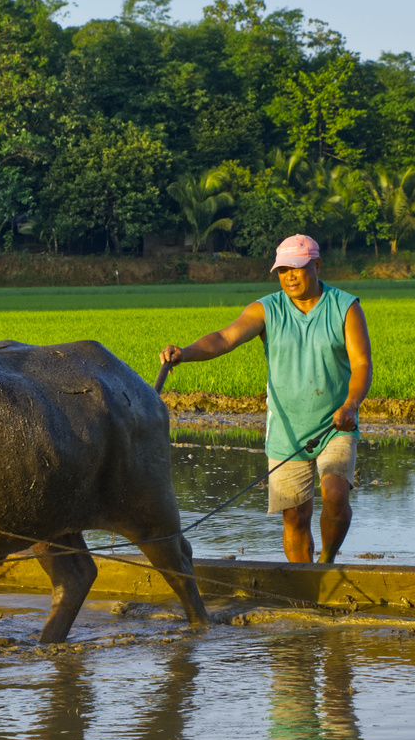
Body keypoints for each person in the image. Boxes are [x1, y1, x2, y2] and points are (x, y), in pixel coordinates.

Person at [157, 234, 372, 563]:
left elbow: (361, 365)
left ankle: (325, 562)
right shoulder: (266, 309)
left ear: (316, 265)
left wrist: (351, 404)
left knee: (335, 496)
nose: (290, 276)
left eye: (297, 269)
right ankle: (303, 585)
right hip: (287, 429)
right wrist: (184, 353)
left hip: (336, 421)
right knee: (295, 516)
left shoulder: (345, 307)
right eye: (283, 270)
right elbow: (224, 339)